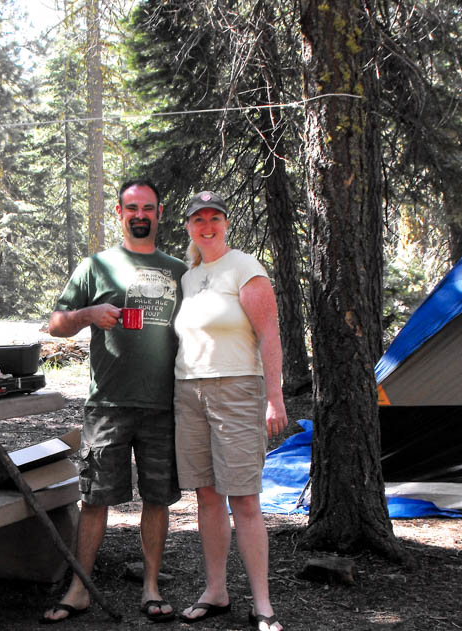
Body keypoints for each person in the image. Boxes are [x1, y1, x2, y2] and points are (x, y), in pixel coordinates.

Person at [42, 178, 187, 624]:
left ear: (159, 213)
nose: (140, 214)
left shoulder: (181, 271)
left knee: (158, 499)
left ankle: (151, 586)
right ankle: (80, 589)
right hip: (107, 405)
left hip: (164, 405)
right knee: (95, 499)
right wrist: (87, 315)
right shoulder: (96, 266)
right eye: (131, 208)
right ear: (119, 214)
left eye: (148, 207)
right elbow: (55, 324)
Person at [173, 191, 288, 631]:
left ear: (225, 222)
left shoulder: (245, 267)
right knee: (206, 495)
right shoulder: (190, 276)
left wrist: (273, 398)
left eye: (214, 218)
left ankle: (263, 604)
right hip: (189, 392)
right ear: (188, 226)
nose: (207, 225)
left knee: (243, 497)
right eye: (198, 218)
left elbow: (270, 335)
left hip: (238, 390)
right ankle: (216, 590)